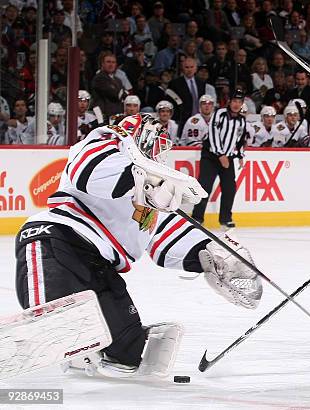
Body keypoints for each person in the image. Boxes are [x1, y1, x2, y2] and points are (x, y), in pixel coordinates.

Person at [13, 113, 262, 379]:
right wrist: (144, 179)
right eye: (156, 143)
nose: (159, 153)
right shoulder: (102, 143)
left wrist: (212, 254)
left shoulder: (153, 189)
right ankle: (68, 341)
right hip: (57, 242)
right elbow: (87, 174)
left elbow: (165, 235)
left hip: (101, 268)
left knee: (126, 355)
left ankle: (82, 354)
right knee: (52, 323)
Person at [191, 89, 248, 228]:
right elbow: (213, 134)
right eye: (234, 101)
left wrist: (240, 155)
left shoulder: (241, 120)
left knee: (230, 188)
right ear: (229, 101)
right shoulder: (219, 114)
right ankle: (197, 218)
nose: (236, 104)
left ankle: (225, 219)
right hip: (211, 156)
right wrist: (220, 154)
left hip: (227, 158)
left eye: (239, 102)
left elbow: (240, 140)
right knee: (205, 186)